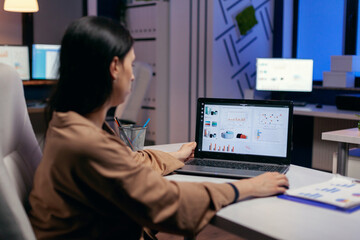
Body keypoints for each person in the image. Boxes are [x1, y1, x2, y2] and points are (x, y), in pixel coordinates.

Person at [28, 16, 289, 240]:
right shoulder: (85, 143)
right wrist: (247, 187)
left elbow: (128, 164)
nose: (132, 75)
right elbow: (167, 202)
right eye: (131, 64)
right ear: (114, 68)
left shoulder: (68, 123)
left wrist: (175, 156)